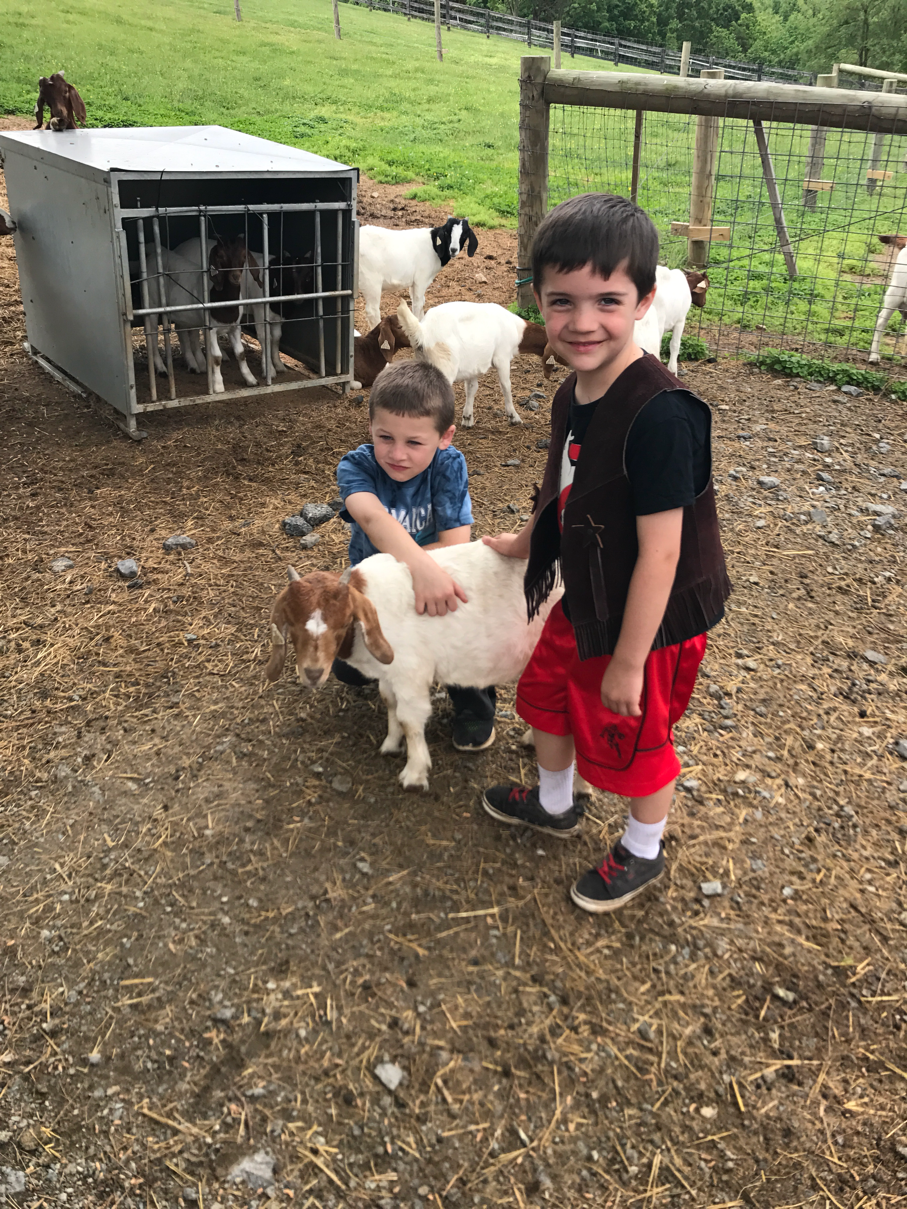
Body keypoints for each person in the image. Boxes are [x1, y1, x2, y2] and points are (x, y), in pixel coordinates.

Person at [481, 193, 731, 913]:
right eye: (562, 301)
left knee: (634, 731)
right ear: (537, 299)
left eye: (607, 301)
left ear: (645, 300)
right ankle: (555, 802)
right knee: (547, 693)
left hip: (649, 616)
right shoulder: (572, 390)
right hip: (590, 589)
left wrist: (628, 658)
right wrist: (528, 539)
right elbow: (562, 483)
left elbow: (662, 554)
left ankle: (643, 849)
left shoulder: (662, 415)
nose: (582, 322)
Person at [336, 359, 497, 751]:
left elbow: (456, 543)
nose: (397, 454)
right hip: (381, 593)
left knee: (460, 632)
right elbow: (371, 517)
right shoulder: (356, 466)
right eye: (385, 437)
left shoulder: (448, 465)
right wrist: (416, 568)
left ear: (445, 437)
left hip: (438, 577)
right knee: (348, 668)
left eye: (414, 442)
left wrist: (424, 572)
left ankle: (474, 708)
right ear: (370, 427)